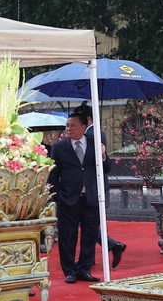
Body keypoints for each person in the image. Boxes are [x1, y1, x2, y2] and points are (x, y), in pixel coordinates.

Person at [49, 113, 112, 284]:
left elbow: (106, 169)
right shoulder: (59, 147)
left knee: (89, 236)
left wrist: (104, 155)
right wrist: (57, 196)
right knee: (67, 237)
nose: (68, 128)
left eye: (73, 125)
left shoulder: (95, 144)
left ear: (84, 127)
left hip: (91, 198)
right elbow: (53, 175)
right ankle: (69, 271)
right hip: (68, 200)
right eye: (67, 125)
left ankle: (84, 269)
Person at [74, 103, 127, 268]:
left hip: (92, 187)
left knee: (87, 223)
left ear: (88, 118)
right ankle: (92, 256)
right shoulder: (90, 133)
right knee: (87, 223)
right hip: (88, 186)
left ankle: (111, 246)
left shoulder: (94, 134)